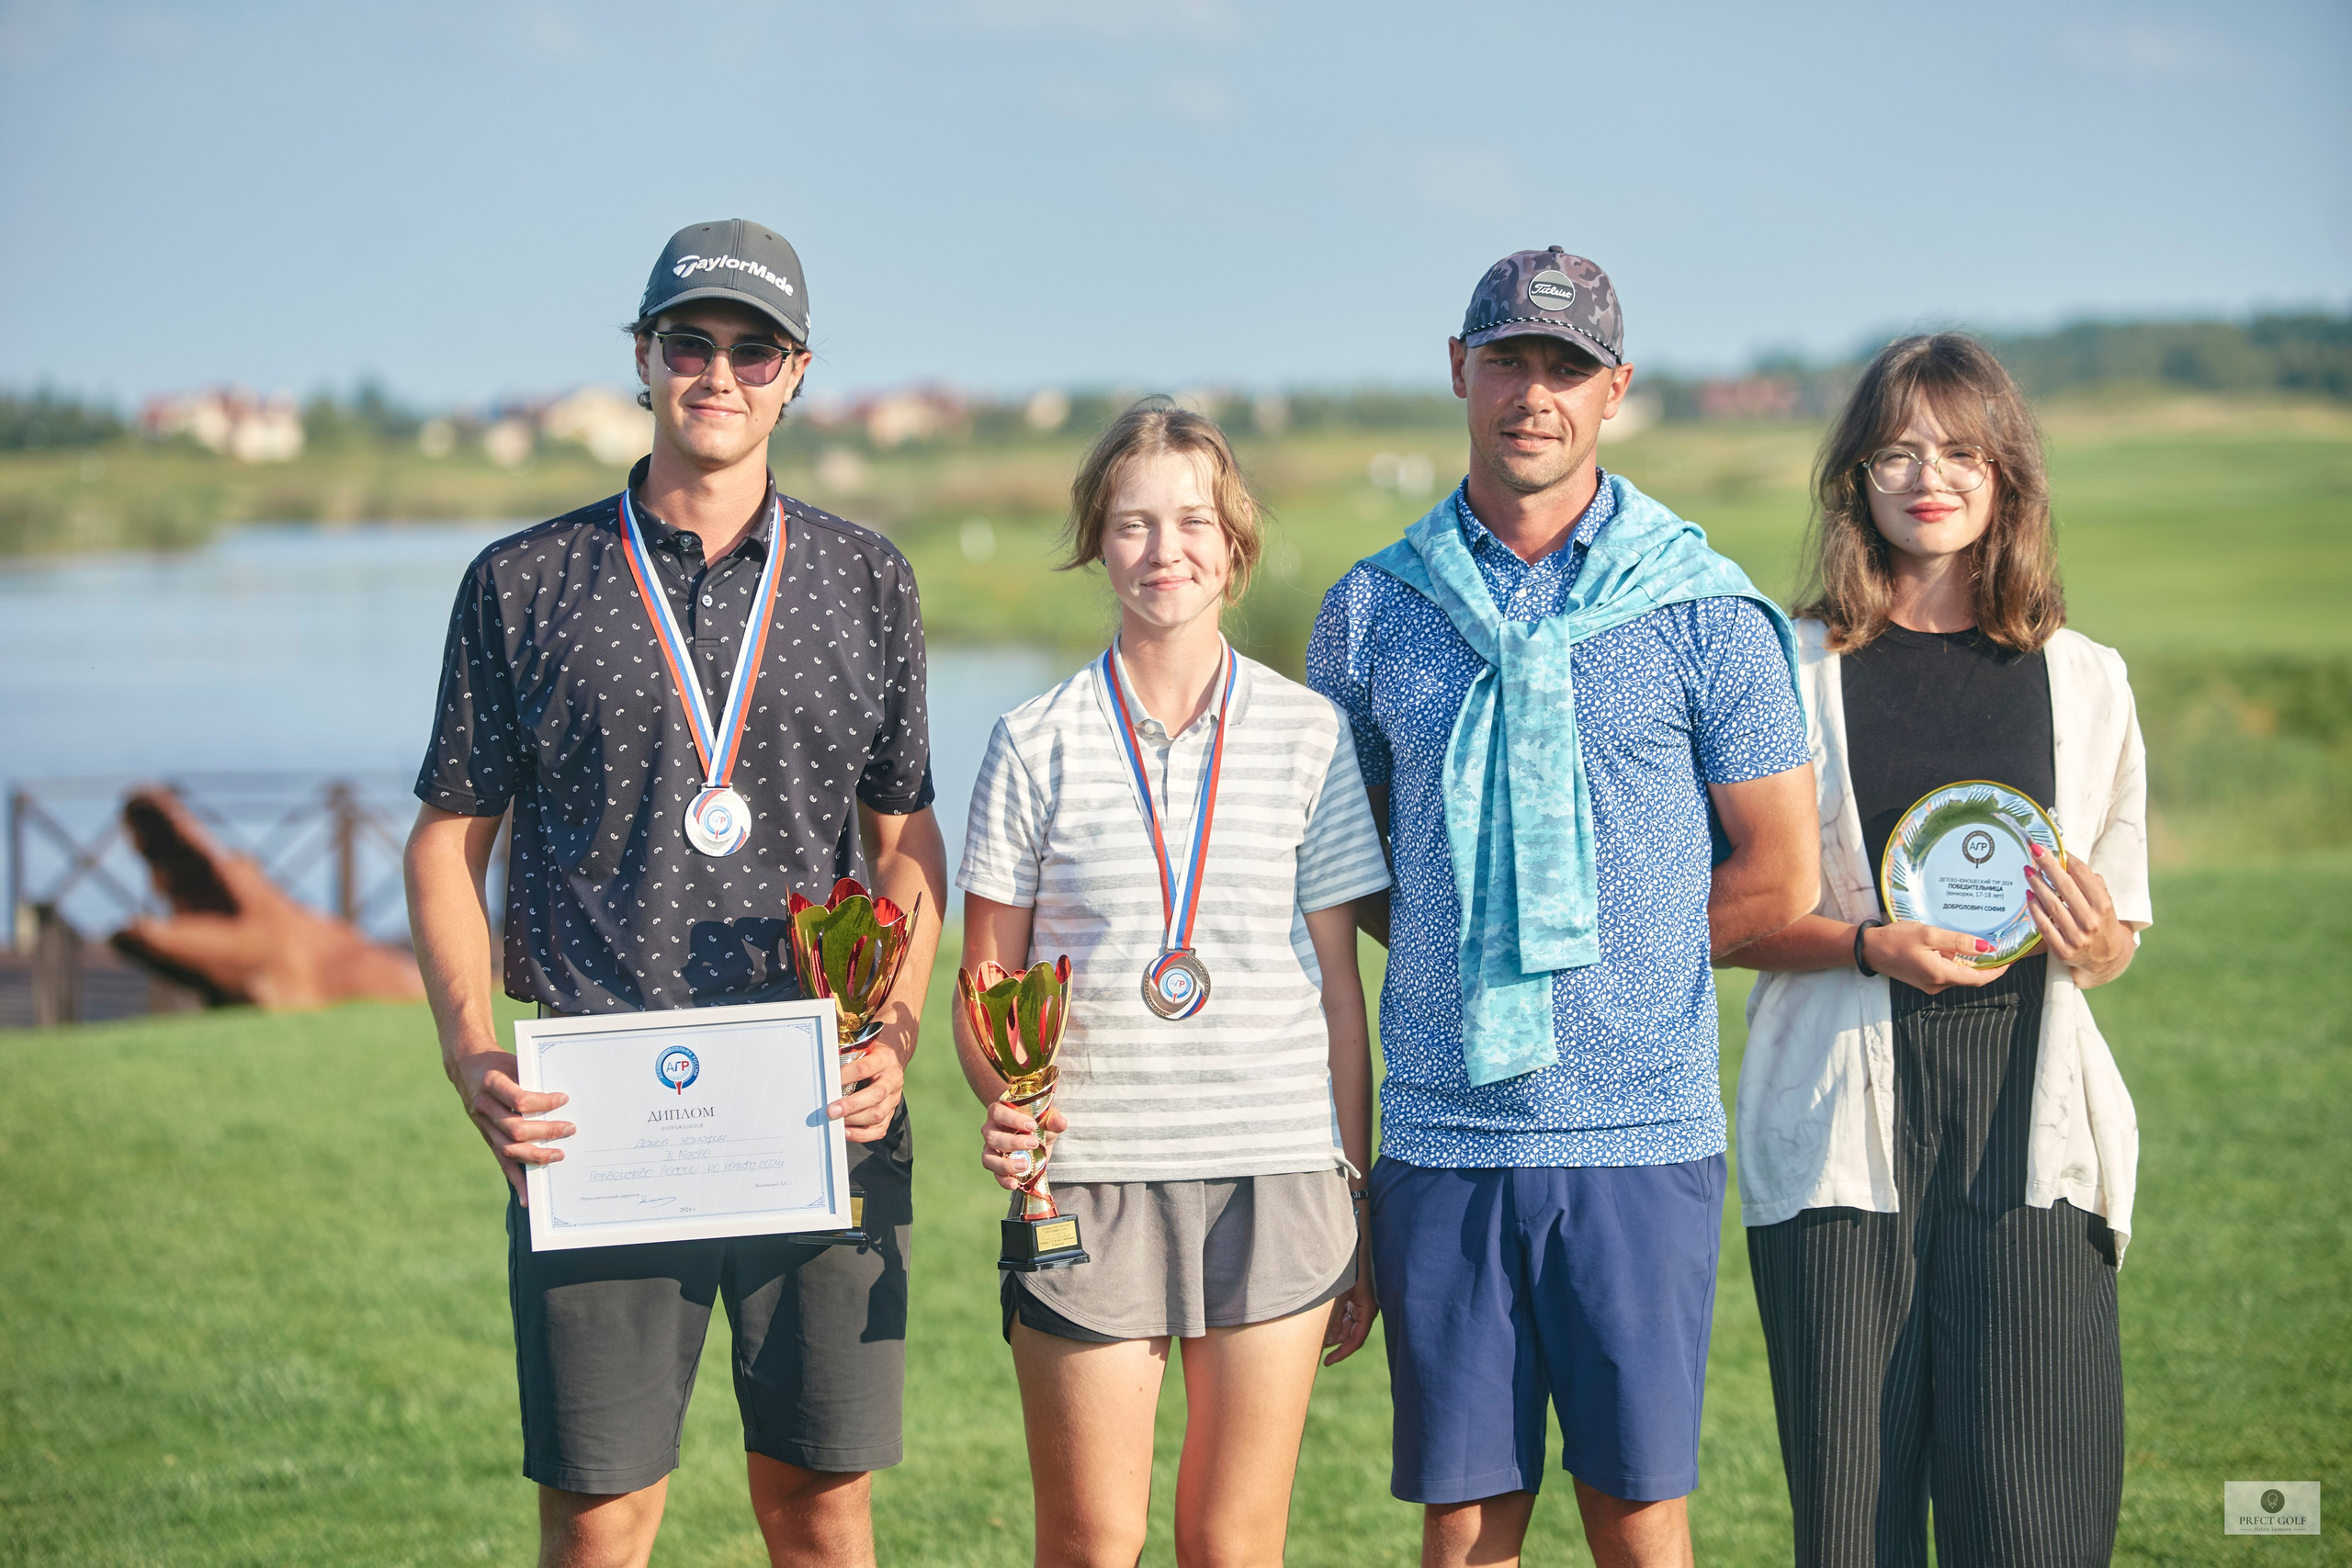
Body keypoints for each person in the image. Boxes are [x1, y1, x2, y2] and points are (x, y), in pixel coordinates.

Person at [402, 219, 946, 1568]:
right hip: (599, 1110)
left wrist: (895, 1031)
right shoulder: (523, 582)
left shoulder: (868, 578)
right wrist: (470, 1049)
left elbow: (904, 842)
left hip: (817, 1106)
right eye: (688, 342)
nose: (718, 372)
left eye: (753, 350)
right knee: (602, 1517)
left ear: (796, 373)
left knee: (821, 1512)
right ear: (642, 357)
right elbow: (447, 839)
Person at [1307, 249, 1820, 1568]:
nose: (1534, 393)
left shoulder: (1706, 609)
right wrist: (1479, 947)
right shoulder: (1369, 610)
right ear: (1458, 370)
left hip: (1639, 1131)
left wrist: (1618, 955)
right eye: (1509, 361)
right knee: (1465, 1518)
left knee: (1637, 1513)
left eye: (1567, 368)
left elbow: (1782, 871)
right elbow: (1349, 867)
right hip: (1443, 1127)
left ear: (1616, 389)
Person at [1722, 333, 2150, 1567]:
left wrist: (2097, 941)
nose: (1930, 479)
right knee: (1852, 1527)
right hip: (1838, 1127)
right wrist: (1868, 945)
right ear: (1853, 478)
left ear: (2007, 473)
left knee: (2035, 1521)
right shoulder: (1786, 671)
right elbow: (1725, 916)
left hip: (2032, 1120)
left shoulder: (2086, 679)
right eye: (1897, 452)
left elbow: (2115, 935)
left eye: (1962, 451)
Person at [955, 402, 1393, 1568]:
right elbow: (984, 981)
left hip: (1278, 1175)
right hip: (1087, 1178)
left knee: (1232, 1542)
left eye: (1193, 521)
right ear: (1097, 544)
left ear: (1234, 544)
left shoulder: (1309, 734)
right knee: (1092, 1542)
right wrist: (1003, 1098)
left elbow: (1340, 995)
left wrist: (1354, 1193)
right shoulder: (1032, 740)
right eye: (1133, 523)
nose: (1165, 550)